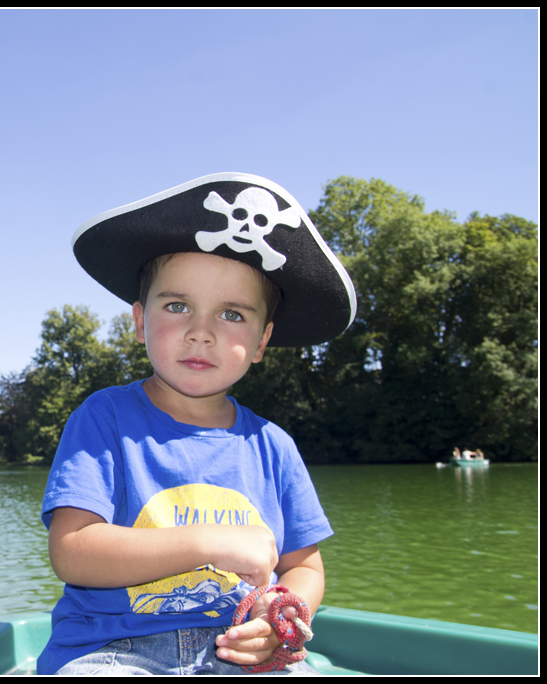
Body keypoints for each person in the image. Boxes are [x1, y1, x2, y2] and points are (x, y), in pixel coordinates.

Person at [38, 173, 357, 675]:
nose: (201, 332)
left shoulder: (274, 446)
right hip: (112, 650)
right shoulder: (104, 418)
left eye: (232, 314)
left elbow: (304, 567)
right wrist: (209, 543)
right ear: (140, 321)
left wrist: (278, 620)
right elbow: (73, 550)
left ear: (261, 341)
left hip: (238, 651)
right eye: (178, 306)